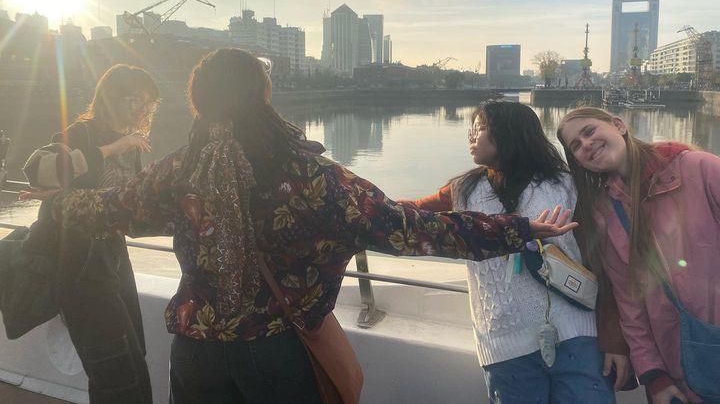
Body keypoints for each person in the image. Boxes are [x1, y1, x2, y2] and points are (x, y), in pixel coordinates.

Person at [37, 49, 578, 404]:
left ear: (198, 103)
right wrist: (518, 229)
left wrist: (59, 199)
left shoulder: (180, 170)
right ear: (264, 96)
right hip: (276, 355)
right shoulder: (310, 177)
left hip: (196, 353)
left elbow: (109, 209)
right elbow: (409, 227)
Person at [404, 101, 628, 403]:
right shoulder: (462, 191)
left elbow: (606, 264)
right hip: (504, 343)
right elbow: (408, 216)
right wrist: (348, 207)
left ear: (509, 133)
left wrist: (615, 341)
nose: (471, 135)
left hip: (578, 335)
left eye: (480, 128)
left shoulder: (566, 185)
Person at [557, 107, 720, 404]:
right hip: (677, 371)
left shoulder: (699, 168)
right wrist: (653, 376)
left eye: (589, 131)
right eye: (575, 146)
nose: (586, 145)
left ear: (619, 125)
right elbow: (628, 300)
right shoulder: (606, 213)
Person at [23, 64, 159, 403]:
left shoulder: (133, 145)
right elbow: (44, 172)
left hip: (114, 259)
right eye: (134, 100)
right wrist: (115, 147)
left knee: (134, 362)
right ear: (111, 98)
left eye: (148, 103)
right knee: (117, 377)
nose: (142, 109)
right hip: (79, 267)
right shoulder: (79, 134)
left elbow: (129, 204)